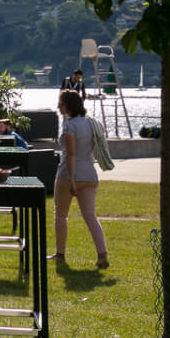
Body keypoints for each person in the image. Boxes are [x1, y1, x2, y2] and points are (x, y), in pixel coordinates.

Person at [55, 88, 110, 268]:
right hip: (90, 174)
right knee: (90, 216)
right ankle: (102, 255)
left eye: (61, 103)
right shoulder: (91, 123)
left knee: (61, 215)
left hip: (69, 174)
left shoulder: (70, 125)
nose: (58, 107)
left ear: (67, 106)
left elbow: (70, 154)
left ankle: (60, 254)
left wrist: (71, 180)